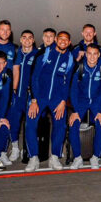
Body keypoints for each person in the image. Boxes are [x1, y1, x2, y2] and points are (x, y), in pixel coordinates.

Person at [24, 31, 76, 172]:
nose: (63, 41)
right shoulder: (44, 53)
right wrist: (34, 99)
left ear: (69, 42)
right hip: (39, 97)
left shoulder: (71, 59)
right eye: (61, 39)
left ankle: (54, 157)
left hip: (57, 99)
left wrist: (63, 101)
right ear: (56, 40)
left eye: (66, 39)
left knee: (60, 126)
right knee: (30, 123)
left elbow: (68, 82)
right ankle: (33, 157)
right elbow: (34, 77)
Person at [68, 44, 101, 170]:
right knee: (73, 124)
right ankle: (77, 158)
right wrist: (75, 111)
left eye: (94, 54)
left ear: (98, 55)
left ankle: (95, 157)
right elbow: (73, 90)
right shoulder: (79, 67)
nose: (92, 57)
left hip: (97, 101)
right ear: (85, 54)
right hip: (81, 101)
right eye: (89, 53)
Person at [7, 30, 39, 164]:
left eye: (30, 38)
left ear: (33, 40)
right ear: (20, 40)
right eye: (24, 38)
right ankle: (15, 148)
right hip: (16, 95)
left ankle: (30, 152)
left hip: (31, 97)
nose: (27, 40)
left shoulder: (38, 55)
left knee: (30, 125)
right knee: (13, 123)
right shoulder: (15, 53)